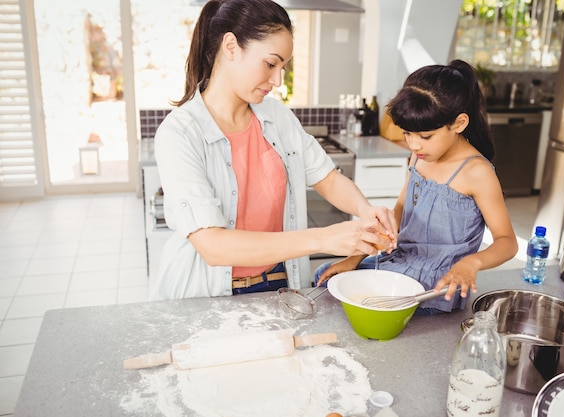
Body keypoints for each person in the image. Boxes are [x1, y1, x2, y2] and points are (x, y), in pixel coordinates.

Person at [150, 0, 396, 300]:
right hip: (206, 295)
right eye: (270, 63)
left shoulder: (277, 117)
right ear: (231, 47)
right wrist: (325, 238)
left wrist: (365, 210)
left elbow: (327, 178)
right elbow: (212, 246)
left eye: (283, 67)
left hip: (279, 287)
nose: (278, 80)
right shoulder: (180, 133)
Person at [316, 60, 518, 315]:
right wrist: (355, 258)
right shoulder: (420, 157)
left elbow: (508, 242)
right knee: (325, 276)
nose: (414, 145)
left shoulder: (477, 172)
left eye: (425, 136)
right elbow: (399, 212)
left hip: (434, 285)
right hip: (400, 263)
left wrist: (472, 263)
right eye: (408, 134)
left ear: (459, 123)